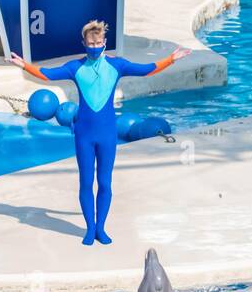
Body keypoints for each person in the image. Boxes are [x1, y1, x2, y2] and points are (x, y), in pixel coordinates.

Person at [10, 21, 190, 246]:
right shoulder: (75, 67)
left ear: (104, 43)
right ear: (84, 43)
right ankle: (89, 229)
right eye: (90, 43)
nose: (94, 46)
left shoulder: (117, 66)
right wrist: (24, 65)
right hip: (84, 135)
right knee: (86, 182)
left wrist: (171, 59)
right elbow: (47, 74)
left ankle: (101, 229)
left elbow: (147, 70)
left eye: (98, 42)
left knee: (105, 182)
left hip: (107, 134)